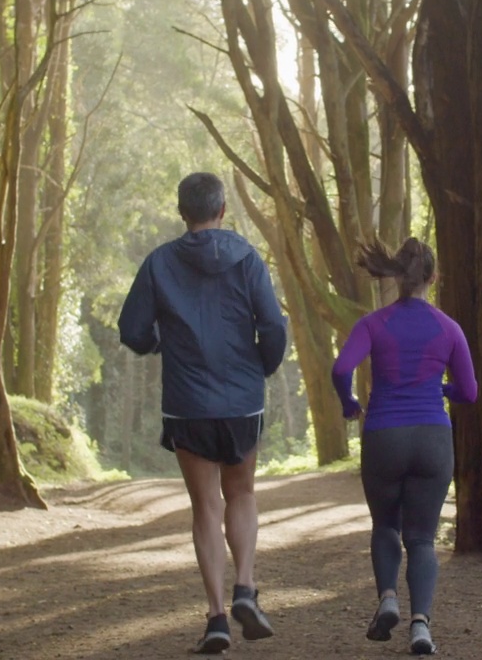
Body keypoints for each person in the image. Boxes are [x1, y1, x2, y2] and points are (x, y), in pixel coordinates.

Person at [117, 172, 287, 654]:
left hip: (187, 403)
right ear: (223, 210)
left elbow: (132, 329)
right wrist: (263, 366)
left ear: (181, 212)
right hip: (241, 401)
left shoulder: (158, 263)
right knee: (242, 494)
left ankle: (216, 618)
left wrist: (158, 343)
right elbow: (272, 325)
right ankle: (246, 588)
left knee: (205, 507)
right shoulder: (248, 258)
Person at [331, 238, 477, 656]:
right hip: (433, 437)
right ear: (433, 278)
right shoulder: (449, 328)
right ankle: (421, 627)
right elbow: (469, 391)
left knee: (385, 526)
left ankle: (388, 599)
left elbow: (342, 368)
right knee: (422, 539)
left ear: (397, 278)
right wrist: (439, 386)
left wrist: (350, 404)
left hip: (384, 436)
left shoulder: (374, 324)